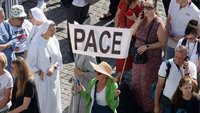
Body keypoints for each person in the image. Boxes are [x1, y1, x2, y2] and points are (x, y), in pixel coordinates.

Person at [130, 0, 167, 112]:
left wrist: (147, 46)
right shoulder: (142, 19)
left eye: (149, 8)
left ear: (155, 9)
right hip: (138, 58)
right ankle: (137, 106)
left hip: (150, 60)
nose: (145, 10)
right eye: (144, 7)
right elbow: (131, 33)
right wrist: (138, 21)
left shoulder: (159, 24)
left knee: (147, 84)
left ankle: (148, 108)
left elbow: (163, 42)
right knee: (136, 82)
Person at [26, 20, 63, 113]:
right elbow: (29, 63)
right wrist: (39, 72)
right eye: (52, 31)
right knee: (44, 103)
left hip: (53, 77)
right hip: (42, 80)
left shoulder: (54, 40)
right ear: (45, 30)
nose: (54, 33)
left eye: (55, 30)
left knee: (54, 101)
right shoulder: (36, 43)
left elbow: (59, 58)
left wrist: (54, 67)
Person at [154, 45, 197, 113]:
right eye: (176, 56)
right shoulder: (166, 65)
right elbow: (159, 86)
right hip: (167, 102)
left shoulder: (192, 67)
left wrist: (187, 73)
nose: (177, 60)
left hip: (183, 104)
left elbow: (194, 85)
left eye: (180, 58)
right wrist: (156, 105)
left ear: (186, 57)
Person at [0, 8, 16, 72]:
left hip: (10, 61)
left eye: (3, 17)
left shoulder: (5, 24)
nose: (2, 19)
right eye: (0, 17)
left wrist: (6, 46)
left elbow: (14, 39)